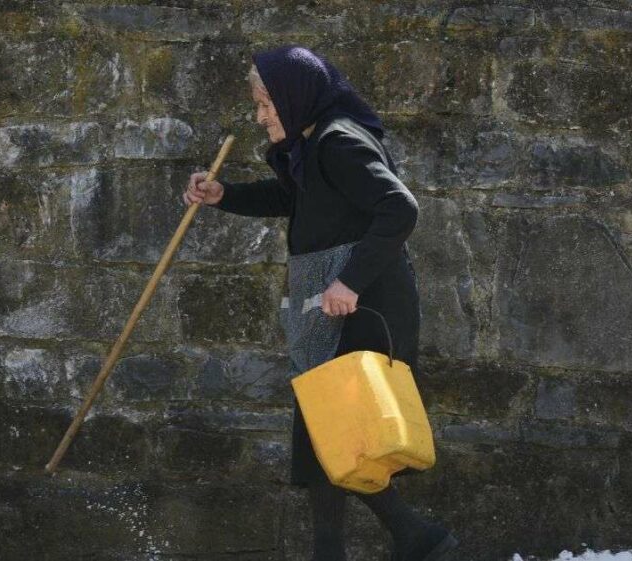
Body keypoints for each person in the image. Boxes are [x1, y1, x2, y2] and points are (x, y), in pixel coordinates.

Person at [182, 45, 457, 561]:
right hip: (337, 306)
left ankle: (412, 539)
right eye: (259, 106)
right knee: (326, 433)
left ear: (295, 95)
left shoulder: (338, 141)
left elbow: (399, 207)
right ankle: (412, 539)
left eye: (267, 104)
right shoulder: (311, 145)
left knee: (335, 432)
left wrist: (349, 282)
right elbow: (296, 199)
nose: (261, 116)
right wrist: (226, 195)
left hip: (362, 306)